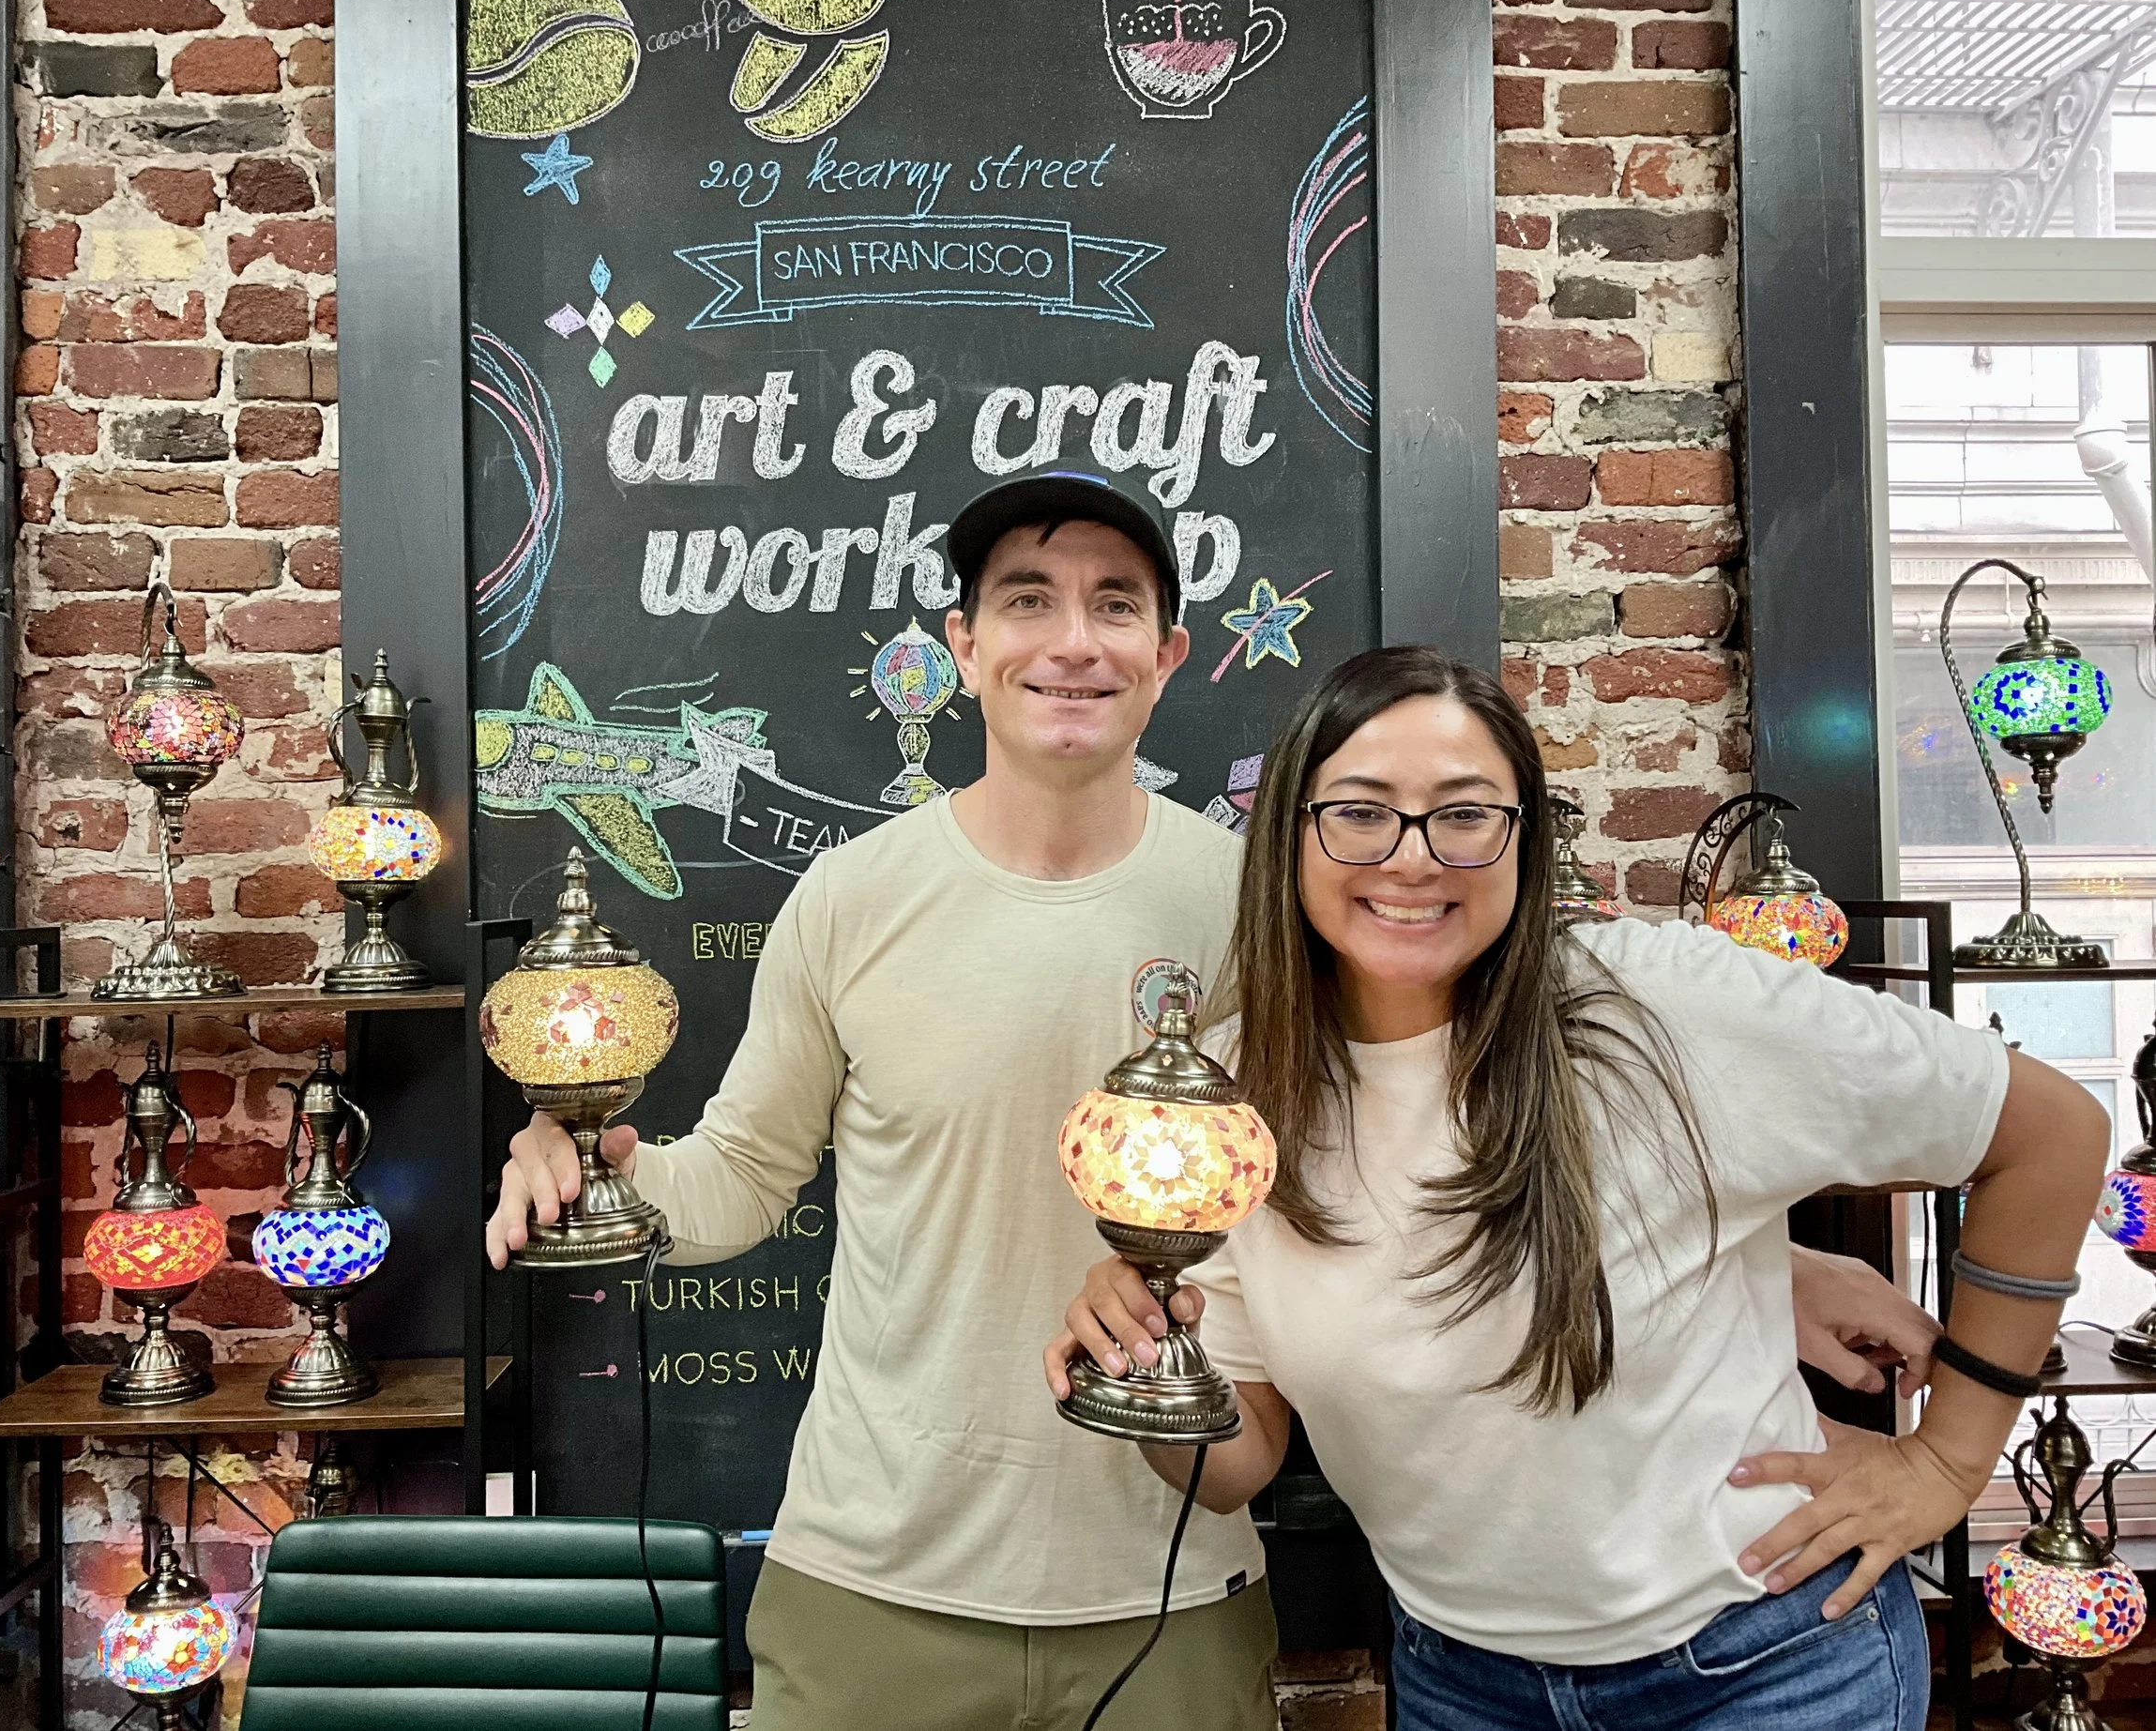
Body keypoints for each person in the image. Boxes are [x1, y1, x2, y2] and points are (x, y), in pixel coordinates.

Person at [488, 479, 1950, 1731]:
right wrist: (587, 1168)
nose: (1073, 638)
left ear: (1172, 650)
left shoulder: (1286, 900)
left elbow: (1430, 1127)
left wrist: (1759, 1252)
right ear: (959, 646)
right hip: (876, 1568)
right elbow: (741, 1173)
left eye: (1116, 602)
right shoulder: (852, 895)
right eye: (1025, 600)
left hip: (1181, 1568)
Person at [1048, 646, 2107, 1731]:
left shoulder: (1660, 1007)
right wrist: (1143, 1365)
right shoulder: (1227, 1108)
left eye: (1465, 815)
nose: (1412, 860)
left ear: (1522, 839)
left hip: (1766, 1662)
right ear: (1290, 835)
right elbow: (1237, 1468)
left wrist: (1946, 1461)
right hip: (1462, 1681)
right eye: (1360, 812)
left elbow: (2052, 1135)